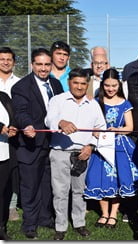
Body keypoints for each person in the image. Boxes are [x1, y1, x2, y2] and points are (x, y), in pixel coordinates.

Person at [45, 68, 106, 240]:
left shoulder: (93, 104)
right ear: (69, 83)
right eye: (75, 83)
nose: (79, 87)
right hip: (60, 152)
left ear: (87, 85)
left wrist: (91, 146)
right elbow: (49, 120)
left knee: (79, 191)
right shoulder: (58, 100)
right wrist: (61, 122)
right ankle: (60, 226)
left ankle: (79, 223)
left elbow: (101, 128)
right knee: (60, 191)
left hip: (82, 153)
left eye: (83, 84)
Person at [11, 48, 64, 239]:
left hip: (52, 143)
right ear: (32, 65)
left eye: (46, 64)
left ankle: (44, 217)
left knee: (47, 184)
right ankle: (30, 224)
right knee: (30, 186)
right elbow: (20, 111)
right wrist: (27, 125)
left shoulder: (56, 84)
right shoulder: (21, 87)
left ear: (51, 65)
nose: (43, 68)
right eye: (39, 64)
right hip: (30, 144)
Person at [83, 68, 138, 229]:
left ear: (119, 85)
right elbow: (90, 123)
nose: (110, 89)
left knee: (117, 179)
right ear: (103, 85)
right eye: (107, 85)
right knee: (101, 177)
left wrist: (115, 130)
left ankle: (114, 213)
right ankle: (103, 213)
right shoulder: (96, 102)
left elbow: (129, 127)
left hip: (119, 145)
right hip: (100, 145)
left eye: (114, 85)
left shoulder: (125, 103)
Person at [0, 47, 20, 222]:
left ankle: (11, 206)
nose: (5, 62)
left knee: (12, 170)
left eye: (9, 59)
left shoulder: (19, 83)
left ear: (14, 62)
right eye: (2, 59)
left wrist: (14, 127)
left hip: (13, 135)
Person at [0, 91, 18, 240]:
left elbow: (13, 118)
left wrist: (12, 127)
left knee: (4, 194)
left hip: (5, 153)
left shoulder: (3, 96)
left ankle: (1, 227)